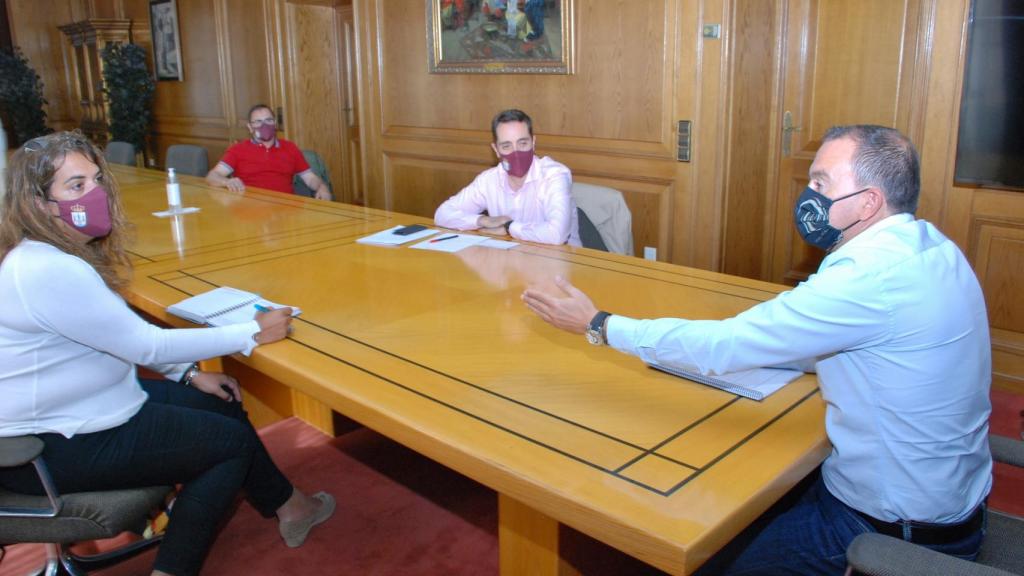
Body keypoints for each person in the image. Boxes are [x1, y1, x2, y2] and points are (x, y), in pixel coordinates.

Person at [522, 125, 992, 574]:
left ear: (869, 202)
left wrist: (600, 324)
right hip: (951, 498)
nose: (807, 192)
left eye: (821, 182)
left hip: (893, 530)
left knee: (703, 551)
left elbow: (726, 347)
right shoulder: (931, 247)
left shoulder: (869, 278)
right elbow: (849, 341)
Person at [0, 132, 336, 576]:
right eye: (76, 186)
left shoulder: (52, 255)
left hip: (87, 407)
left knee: (221, 399)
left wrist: (188, 375)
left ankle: (290, 506)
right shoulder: (46, 268)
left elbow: (116, 333)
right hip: (46, 446)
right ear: (39, 204)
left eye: (97, 180)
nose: (95, 193)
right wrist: (249, 333)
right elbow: (146, 344)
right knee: (228, 446)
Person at [434, 108, 580, 246]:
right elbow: (442, 215)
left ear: (533, 143)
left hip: (566, 263)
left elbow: (557, 235)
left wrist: (509, 227)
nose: (516, 152)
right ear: (496, 150)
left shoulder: (554, 175)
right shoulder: (489, 180)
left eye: (522, 143)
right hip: (510, 261)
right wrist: (483, 220)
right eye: (506, 146)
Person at [206, 104, 331, 200]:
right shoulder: (237, 150)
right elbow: (212, 176)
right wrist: (226, 181)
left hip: (286, 210)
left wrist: (322, 187)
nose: (264, 125)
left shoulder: (290, 148)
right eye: (258, 122)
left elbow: (310, 179)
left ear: (275, 123)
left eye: (268, 120)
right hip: (249, 211)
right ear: (250, 127)